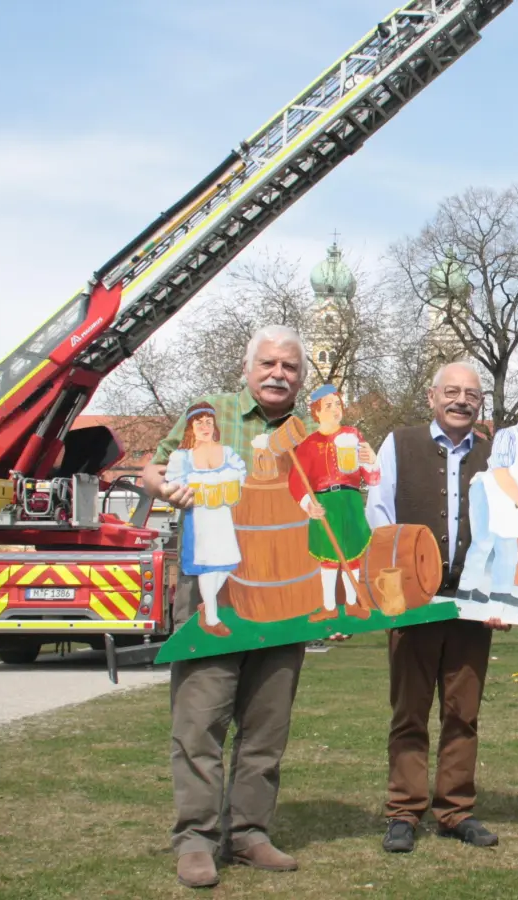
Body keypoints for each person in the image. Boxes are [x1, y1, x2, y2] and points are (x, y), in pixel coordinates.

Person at [141, 325, 312, 889]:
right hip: (214, 585)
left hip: (283, 591)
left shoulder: (307, 431)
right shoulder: (209, 415)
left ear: (301, 377)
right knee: (201, 718)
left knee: (267, 724)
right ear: (247, 368)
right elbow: (151, 470)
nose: (278, 374)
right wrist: (169, 491)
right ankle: (196, 839)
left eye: (289, 367)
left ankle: (249, 833)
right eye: (268, 364)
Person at [364, 361, 508, 853]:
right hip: (413, 601)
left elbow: (513, 528)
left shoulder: (495, 454)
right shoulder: (399, 444)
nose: (461, 400)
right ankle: (404, 811)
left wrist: (505, 595)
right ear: (431, 397)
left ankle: (455, 810)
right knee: (409, 711)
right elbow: (378, 517)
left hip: (474, 602)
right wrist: (392, 591)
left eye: (471, 393)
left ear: (480, 402)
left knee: (462, 712)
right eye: (451, 391)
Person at [286, 384, 377, 620]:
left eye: (338, 404)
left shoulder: (353, 435)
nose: (335, 409)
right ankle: (328, 606)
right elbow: (296, 480)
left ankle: (351, 602)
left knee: (352, 553)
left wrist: (370, 461)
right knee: (328, 555)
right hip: (325, 503)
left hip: (350, 500)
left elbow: (372, 477)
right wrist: (308, 504)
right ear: (316, 412)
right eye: (328, 405)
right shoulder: (308, 445)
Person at [458, 389, 518, 602]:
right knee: (483, 542)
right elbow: (500, 471)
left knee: (509, 545)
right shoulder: (507, 435)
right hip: (489, 492)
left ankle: (501, 591)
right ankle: (466, 588)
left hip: (513, 499)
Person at [163, 404, 248, 637]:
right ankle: (211, 615)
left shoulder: (226, 452)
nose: (204, 427)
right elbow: (172, 484)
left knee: (227, 562)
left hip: (223, 514)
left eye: (208, 422)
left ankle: (206, 606)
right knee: (207, 564)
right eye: (199, 422)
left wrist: (228, 481)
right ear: (191, 427)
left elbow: (241, 474)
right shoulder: (182, 457)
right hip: (198, 517)